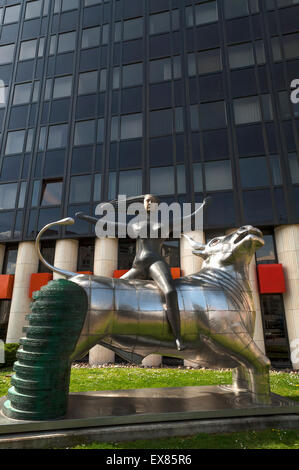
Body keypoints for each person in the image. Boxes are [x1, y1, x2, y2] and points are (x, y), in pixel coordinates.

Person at [76, 195, 209, 351]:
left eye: (152, 202)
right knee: (111, 289)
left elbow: (189, 218)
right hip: (138, 266)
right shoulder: (135, 225)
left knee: (170, 291)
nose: (149, 204)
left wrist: (204, 206)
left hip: (156, 262)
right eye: (147, 201)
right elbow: (108, 225)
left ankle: (177, 337)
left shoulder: (164, 224)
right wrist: (86, 218)